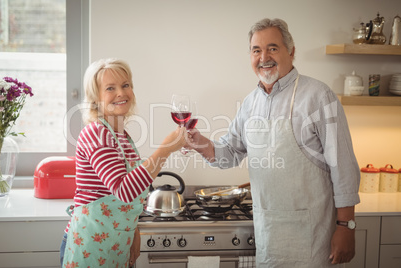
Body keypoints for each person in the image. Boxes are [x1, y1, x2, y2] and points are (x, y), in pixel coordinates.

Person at [188, 18, 360, 267]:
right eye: (256, 50)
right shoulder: (250, 103)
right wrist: (200, 142)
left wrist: (346, 226)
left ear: (291, 52)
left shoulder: (318, 96)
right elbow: (230, 153)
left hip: (312, 235)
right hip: (269, 233)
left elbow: (343, 167)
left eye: (272, 48)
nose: (264, 57)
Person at [60, 58, 186, 267]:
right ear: (95, 99)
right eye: (110, 88)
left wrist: (133, 229)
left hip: (115, 243)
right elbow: (123, 190)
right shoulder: (96, 134)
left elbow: (125, 195)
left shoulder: (122, 136)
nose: (121, 93)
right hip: (90, 245)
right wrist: (165, 149)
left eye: (125, 85)